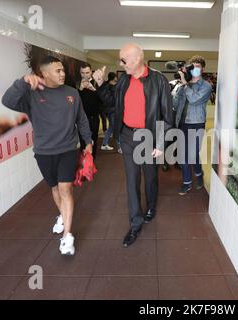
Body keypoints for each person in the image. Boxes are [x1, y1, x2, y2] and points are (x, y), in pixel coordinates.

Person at [1, 56, 93, 256]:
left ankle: (67, 237)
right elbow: (7, 101)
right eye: (57, 71)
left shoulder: (72, 93)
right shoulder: (31, 94)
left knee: (65, 188)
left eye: (62, 70)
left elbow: (81, 119)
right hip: (44, 152)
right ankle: (62, 215)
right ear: (44, 74)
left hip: (69, 149)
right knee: (54, 188)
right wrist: (23, 81)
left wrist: (88, 142)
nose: (62, 74)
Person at [93, 43, 173, 247]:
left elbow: (167, 115)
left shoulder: (158, 81)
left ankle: (151, 206)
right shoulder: (122, 81)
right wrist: (101, 86)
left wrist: (162, 143)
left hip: (149, 137)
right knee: (131, 180)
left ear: (137, 59)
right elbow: (112, 104)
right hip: (128, 136)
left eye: (123, 59)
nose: (120, 63)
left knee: (150, 177)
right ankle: (135, 224)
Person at [173, 55, 212, 195]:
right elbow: (176, 104)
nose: (195, 69)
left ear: (202, 69)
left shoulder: (206, 86)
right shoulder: (185, 84)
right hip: (182, 124)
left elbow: (194, 99)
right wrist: (178, 88)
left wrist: (184, 84)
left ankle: (198, 173)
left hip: (196, 124)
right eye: (192, 67)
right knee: (183, 156)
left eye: (198, 67)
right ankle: (187, 182)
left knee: (193, 154)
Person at [78, 62, 100, 158]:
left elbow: (102, 102)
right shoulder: (76, 84)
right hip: (81, 119)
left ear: (91, 72)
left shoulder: (97, 83)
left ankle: (92, 162)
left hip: (94, 118)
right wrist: (80, 90)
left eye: (87, 72)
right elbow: (74, 102)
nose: (85, 75)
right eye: (83, 73)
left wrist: (94, 90)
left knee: (93, 140)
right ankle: (84, 165)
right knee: (83, 141)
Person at [101, 72, 122, 154]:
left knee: (111, 128)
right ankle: (119, 147)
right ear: (113, 78)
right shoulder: (111, 87)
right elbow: (114, 99)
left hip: (111, 111)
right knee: (115, 128)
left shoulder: (108, 86)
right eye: (116, 77)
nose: (117, 78)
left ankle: (104, 144)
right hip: (112, 111)